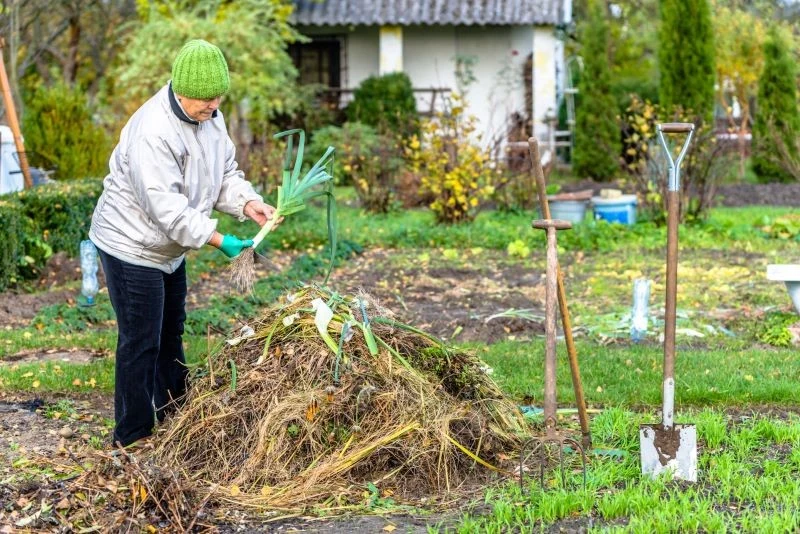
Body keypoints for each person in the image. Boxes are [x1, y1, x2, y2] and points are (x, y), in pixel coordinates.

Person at [89, 39, 279, 448]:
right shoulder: (152, 132)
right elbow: (167, 210)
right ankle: (132, 436)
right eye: (207, 99)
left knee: (171, 330)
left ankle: (176, 420)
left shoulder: (210, 118)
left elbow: (224, 172)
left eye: (218, 98)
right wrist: (220, 240)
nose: (214, 106)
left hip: (169, 249)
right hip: (131, 245)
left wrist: (248, 204)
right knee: (141, 339)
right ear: (181, 90)